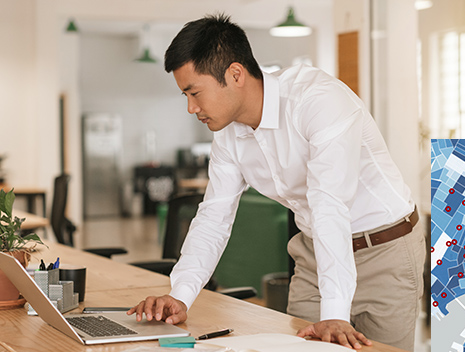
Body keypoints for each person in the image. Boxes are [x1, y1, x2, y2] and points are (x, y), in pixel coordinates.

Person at [127, 14, 425, 351]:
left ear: (235, 74)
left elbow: (329, 205)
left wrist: (336, 312)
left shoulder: (317, 101)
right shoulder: (228, 135)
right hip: (314, 255)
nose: (191, 107)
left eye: (194, 92)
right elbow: (214, 217)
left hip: (385, 250)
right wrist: (180, 295)